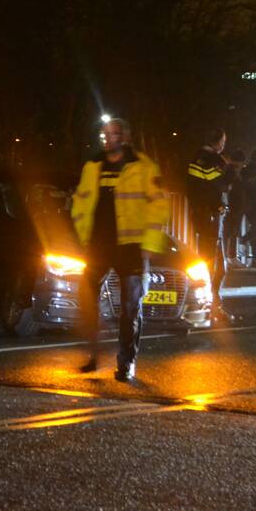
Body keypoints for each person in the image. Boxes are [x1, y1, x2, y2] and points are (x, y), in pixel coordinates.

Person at [71, 118, 169, 382]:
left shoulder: (143, 167)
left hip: (131, 246)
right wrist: (83, 236)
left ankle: (126, 363)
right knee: (86, 298)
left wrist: (149, 244)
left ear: (125, 137)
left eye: (113, 134)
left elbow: (159, 205)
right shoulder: (93, 166)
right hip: (99, 245)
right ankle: (93, 355)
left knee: (130, 308)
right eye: (105, 134)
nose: (108, 138)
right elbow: (80, 202)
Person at [186, 128, 237, 324]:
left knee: (212, 263)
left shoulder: (195, 157)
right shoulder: (212, 160)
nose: (224, 145)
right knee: (213, 265)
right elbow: (221, 184)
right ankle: (212, 307)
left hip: (202, 215)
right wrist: (230, 169)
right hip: (210, 217)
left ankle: (212, 306)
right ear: (218, 142)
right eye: (223, 142)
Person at [223, 149, 248, 267]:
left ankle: (229, 256)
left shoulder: (231, 171)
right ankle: (230, 256)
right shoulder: (231, 172)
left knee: (230, 231)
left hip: (234, 205)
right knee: (231, 231)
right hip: (234, 205)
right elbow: (232, 189)